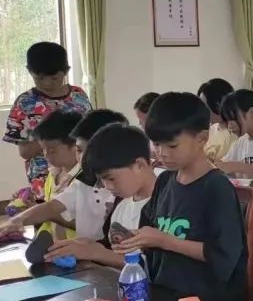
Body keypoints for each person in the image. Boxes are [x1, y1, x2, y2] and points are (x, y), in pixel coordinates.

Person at [50, 92, 247, 301]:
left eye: (172, 146)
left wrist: (164, 241)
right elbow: (150, 244)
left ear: (202, 138)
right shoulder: (165, 181)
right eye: (157, 144)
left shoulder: (217, 187)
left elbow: (223, 255)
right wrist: (114, 242)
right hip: (165, 293)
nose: (162, 153)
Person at [0, 109, 127, 241]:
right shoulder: (83, 182)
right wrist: (15, 221)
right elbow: (52, 206)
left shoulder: (123, 191)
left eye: (87, 151)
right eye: (79, 150)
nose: (82, 158)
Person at [45, 124, 160, 261]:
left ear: (139, 165)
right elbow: (117, 253)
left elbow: (154, 266)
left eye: (111, 178)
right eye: (102, 180)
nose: (107, 186)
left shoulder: (168, 206)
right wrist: (87, 246)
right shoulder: (121, 206)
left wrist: (96, 253)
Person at [4, 41, 92, 194]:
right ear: (29, 71)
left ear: (66, 71)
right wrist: (53, 136)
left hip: (80, 175)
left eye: (54, 78)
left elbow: (92, 135)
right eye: (40, 78)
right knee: (50, 208)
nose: (47, 84)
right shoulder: (25, 103)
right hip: (44, 179)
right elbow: (24, 152)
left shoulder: (79, 96)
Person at [27, 110, 82, 240]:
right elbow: (50, 211)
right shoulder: (52, 176)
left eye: (52, 150)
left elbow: (92, 225)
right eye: (43, 149)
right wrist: (34, 207)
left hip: (80, 247)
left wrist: (48, 214)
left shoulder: (87, 179)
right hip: (57, 244)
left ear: (75, 146)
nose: (46, 155)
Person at [196, 78, 236, 162]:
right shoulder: (208, 130)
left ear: (219, 104)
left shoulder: (237, 133)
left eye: (206, 106)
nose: (203, 111)